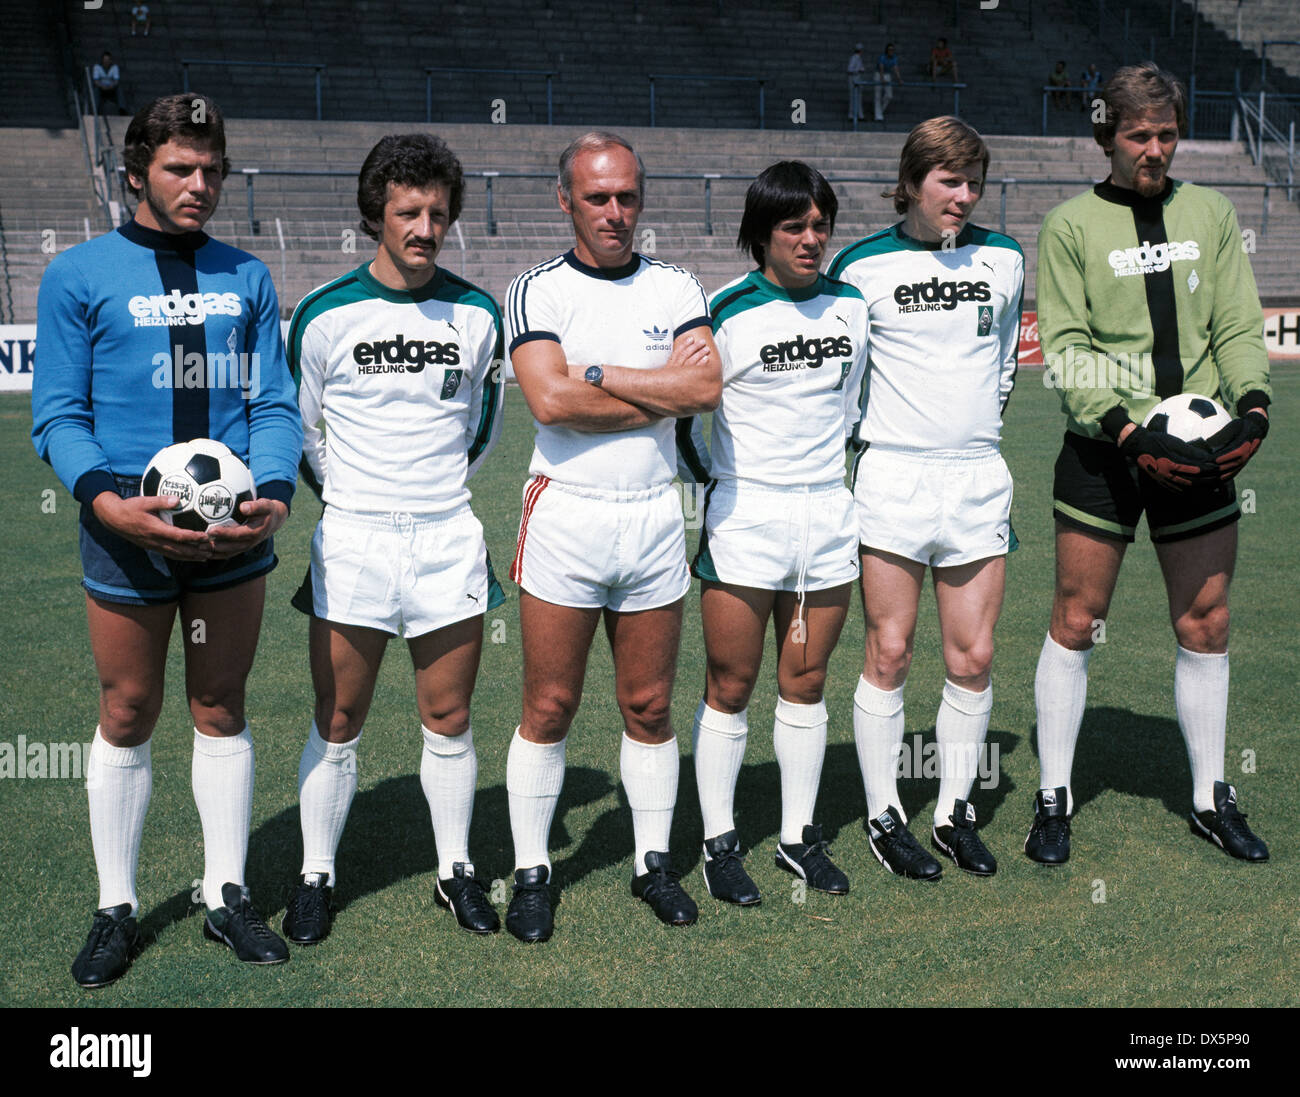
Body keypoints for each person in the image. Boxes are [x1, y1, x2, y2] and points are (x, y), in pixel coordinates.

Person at [32, 93, 303, 988]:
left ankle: (227, 893)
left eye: (212, 169)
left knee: (221, 704)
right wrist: (109, 504)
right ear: (137, 171)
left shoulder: (247, 276)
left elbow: (272, 404)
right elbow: (59, 415)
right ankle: (116, 906)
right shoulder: (78, 275)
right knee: (126, 712)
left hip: (235, 537)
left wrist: (269, 493)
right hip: (125, 534)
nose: (200, 186)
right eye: (181, 169)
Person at [1028, 62, 1271, 865]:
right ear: (1107, 136)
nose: (1155, 150)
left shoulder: (1211, 211)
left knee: (1206, 621)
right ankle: (1055, 794)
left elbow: (1237, 324)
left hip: (1198, 452)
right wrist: (1129, 431)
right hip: (1105, 452)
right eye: (1139, 135)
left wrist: (1256, 404)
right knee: (1076, 621)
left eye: (1167, 134)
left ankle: (1208, 796)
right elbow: (1064, 346)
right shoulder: (1069, 226)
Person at [281, 134, 506, 944]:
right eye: (409, 211)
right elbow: (300, 430)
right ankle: (315, 874)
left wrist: (433, 495)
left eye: (439, 213)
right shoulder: (322, 313)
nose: (425, 227)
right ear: (375, 213)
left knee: (449, 714)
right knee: (338, 714)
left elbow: (483, 430)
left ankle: (455, 871)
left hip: (447, 534)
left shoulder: (478, 315)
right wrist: (352, 498)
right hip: (355, 539)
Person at [503, 131, 720, 942]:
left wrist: (604, 374)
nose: (615, 212)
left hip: (655, 513)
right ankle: (532, 870)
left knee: (650, 703)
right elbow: (550, 404)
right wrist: (660, 391)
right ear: (566, 201)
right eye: (597, 197)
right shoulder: (538, 289)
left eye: (627, 196)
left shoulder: (676, 284)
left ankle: (652, 863)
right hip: (567, 512)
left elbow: (706, 386)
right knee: (550, 704)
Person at [828, 116, 1024, 880]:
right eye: (949, 180)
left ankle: (950, 811)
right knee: (890, 648)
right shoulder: (860, 265)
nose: (964, 196)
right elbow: (844, 381)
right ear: (910, 181)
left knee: (972, 655)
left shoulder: (1004, 257)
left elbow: (1004, 366)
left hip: (976, 474)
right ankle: (883, 814)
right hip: (894, 474)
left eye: (973, 182)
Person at [676, 162, 868, 905]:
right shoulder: (725, 311)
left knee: (807, 678)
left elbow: (856, 405)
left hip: (826, 514)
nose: (812, 238)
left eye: (821, 224)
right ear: (761, 234)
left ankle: (797, 837)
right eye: (795, 226)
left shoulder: (853, 306)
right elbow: (688, 423)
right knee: (730, 682)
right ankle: (719, 842)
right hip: (746, 515)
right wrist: (724, 488)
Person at [875, 43, 903, 122]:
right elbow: (881, 68)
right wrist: (881, 78)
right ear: (886, 51)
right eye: (889, 50)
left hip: (887, 75)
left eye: (892, 50)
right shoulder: (882, 57)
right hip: (879, 74)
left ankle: (880, 111)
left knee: (889, 95)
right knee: (878, 96)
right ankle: (878, 116)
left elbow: (895, 69)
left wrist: (899, 79)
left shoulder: (894, 58)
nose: (891, 51)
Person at [847, 43, 867, 121]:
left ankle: (859, 114)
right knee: (853, 97)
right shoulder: (854, 58)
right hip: (854, 79)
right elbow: (849, 69)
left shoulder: (858, 58)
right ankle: (852, 115)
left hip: (858, 78)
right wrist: (858, 70)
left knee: (858, 97)